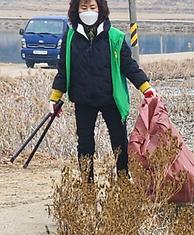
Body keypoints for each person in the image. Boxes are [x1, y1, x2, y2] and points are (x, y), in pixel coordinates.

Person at [49, 0, 155, 182]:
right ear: (76, 10)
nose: (88, 11)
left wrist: (147, 88)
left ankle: (123, 180)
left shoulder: (115, 37)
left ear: (101, 10)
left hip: (111, 99)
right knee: (85, 145)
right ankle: (87, 185)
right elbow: (63, 70)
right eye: (83, 7)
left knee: (119, 142)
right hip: (83, 100)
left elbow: (129, 66)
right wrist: (55, 98)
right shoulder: (70, 37)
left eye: (92, 7)